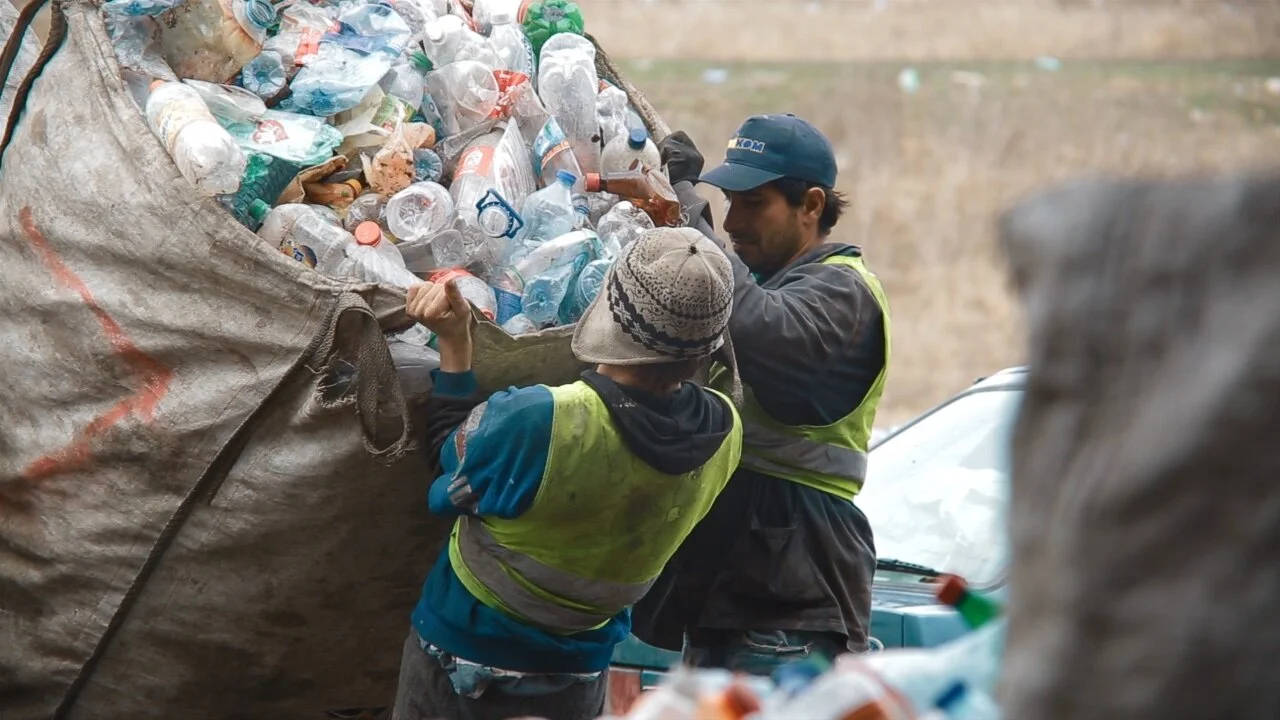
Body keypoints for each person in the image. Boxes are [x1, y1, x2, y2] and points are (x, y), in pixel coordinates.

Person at [391, 227, 744, 720]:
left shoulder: (540, 419)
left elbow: (446, 463)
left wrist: (455, 342)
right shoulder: (726, 431)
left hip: (464, 660)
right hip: (579, 675)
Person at [631, 114, 892, 675]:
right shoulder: (771, 281)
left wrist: (687, 217)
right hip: (735, 592)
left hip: (792, 599)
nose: (733, 222)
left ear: (812, 206)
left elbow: (753, 323)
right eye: (727, 202)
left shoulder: (843, 292)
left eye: (753, 204)